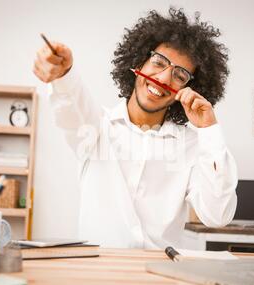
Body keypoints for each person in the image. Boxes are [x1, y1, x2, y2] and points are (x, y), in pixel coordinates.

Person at [33, 7, 238, 249]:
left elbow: (218, 215)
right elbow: (72, 103)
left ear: (189, 89)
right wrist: (63, 74)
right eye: (158, 62)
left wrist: (209, 131)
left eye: (179, 76)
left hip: (160, 275)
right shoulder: (96, 127)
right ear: (138, 61)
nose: (163, 79)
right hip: (97, 273)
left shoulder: (192, 145)